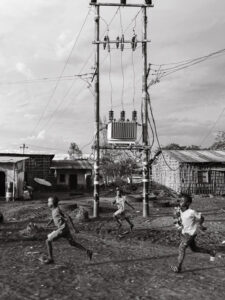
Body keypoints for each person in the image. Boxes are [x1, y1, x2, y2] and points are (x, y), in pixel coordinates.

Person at [171, 194, 216, 273]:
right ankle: (211, 252)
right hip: (184, 233)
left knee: (182, 248)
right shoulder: (179, 210)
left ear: (188, 203)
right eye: (180, 200)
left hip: (190, 234)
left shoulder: (192, 212)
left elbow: (201, 218)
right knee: (194, 249)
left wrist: (200, 225)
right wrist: (175, 216)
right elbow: (177, 221)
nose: (180, 202)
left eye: (182, 201)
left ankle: (178, 268)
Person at [43, 196, 92, 264]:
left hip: (62, 229)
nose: (47, 203)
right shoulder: (53, 210)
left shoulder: (58, 209)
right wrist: (49, 223)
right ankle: (87, 251)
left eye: (49, 202)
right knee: (72, 243)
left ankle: (51, 258)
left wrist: (74, 229)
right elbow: (54, 217)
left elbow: (68, 217)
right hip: (65, 229)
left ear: (53, 203)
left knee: (47, 241)